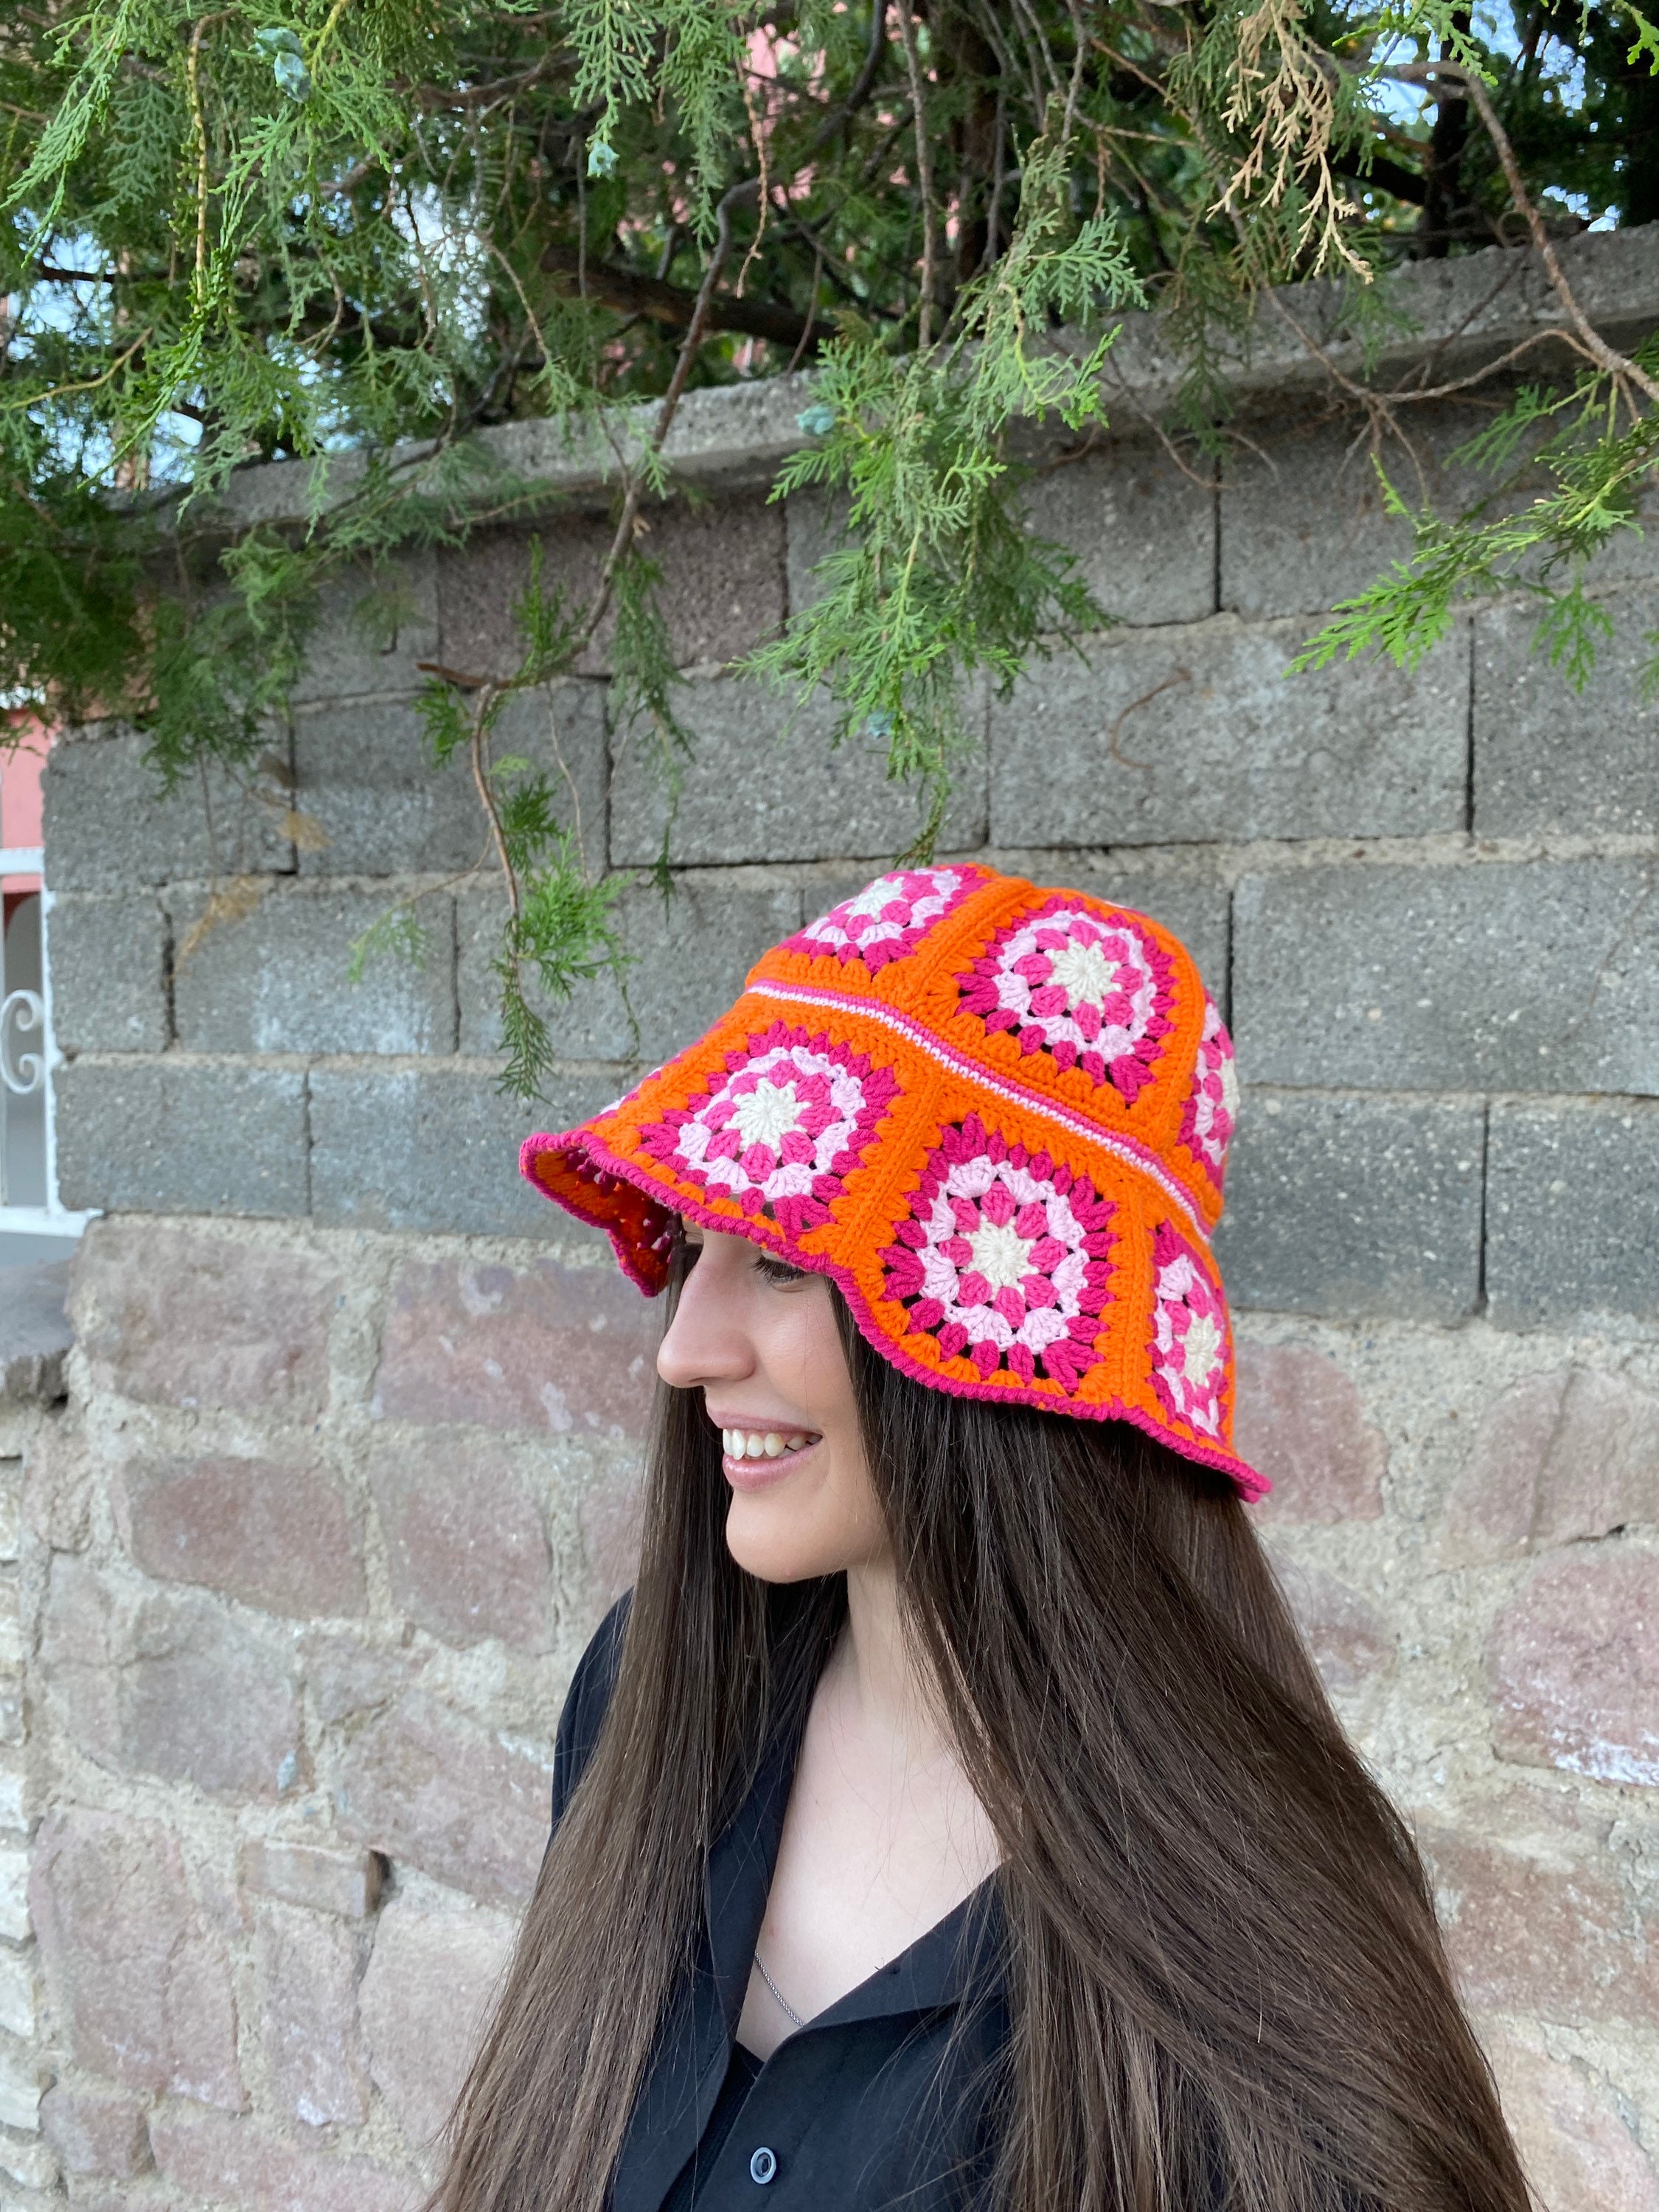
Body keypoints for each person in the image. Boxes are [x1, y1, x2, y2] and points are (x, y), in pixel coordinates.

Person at [433, 865, 1532, 2212]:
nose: (681, 1348)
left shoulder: (1253, 1975)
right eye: (693, 1248)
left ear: (1011, 1346)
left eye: (783, 1258)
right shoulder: (649, 1697)